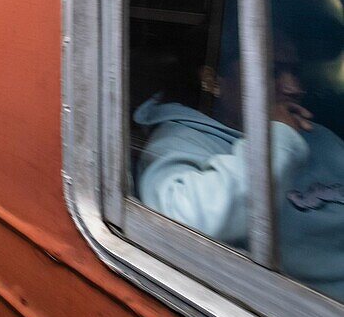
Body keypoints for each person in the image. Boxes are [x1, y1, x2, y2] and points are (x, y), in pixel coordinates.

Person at [134, 37, 344, 301]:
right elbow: (188, 221)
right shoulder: (178, 142)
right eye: (272, 72)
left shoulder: (317, 137)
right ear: (213, 80)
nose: (294, 88)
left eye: (294, 72)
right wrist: (277, 140)